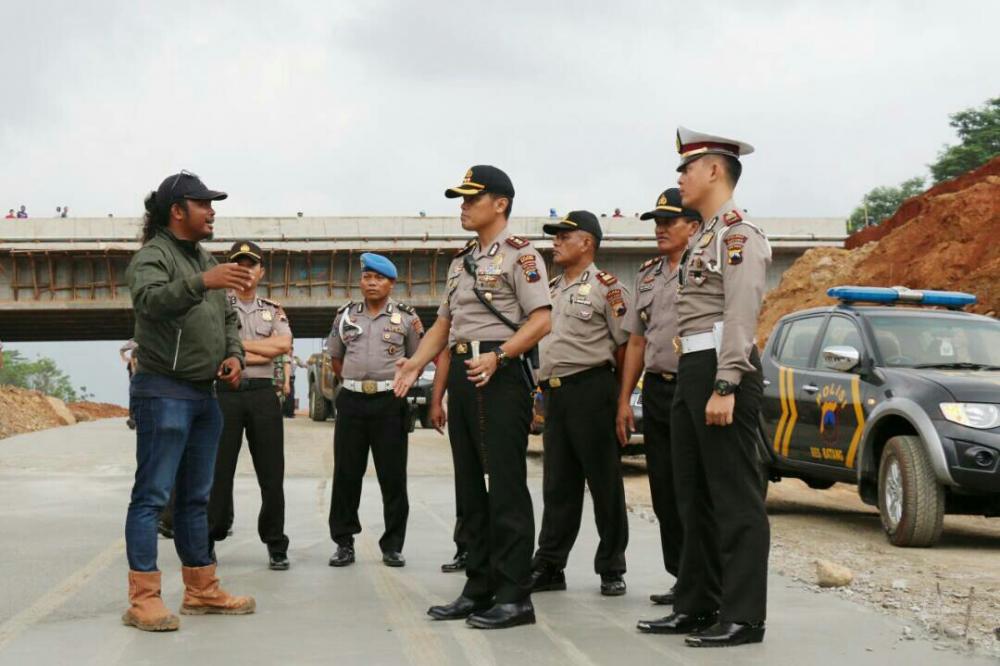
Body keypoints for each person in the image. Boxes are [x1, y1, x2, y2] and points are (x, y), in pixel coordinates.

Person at [394, 165, 551, 629]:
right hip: (465, 372)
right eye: (460, 199)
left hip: (499, 376)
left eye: (470, 198)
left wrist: (500, 357)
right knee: (470, 487)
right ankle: (479, 586)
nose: (462, 206)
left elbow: (541, 319)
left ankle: (515, 595)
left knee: (505, 486)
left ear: (499, 203)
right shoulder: (461, 261)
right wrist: (415, 362)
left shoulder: (521, 257)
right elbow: (444, 325)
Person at [638, 127, 771, 648]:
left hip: (722, 368)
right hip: (692, 370)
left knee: (735, 498)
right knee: (690, 495)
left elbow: (741, 314)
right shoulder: (705, 236)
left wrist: (727, 382)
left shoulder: (739, 235)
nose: (679, 177)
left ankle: (743, 616)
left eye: (687, 168)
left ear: (714, 170)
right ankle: (696, 603)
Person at [123, 170, 255, 632]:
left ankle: (200, 590)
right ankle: (144, 599)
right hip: (163, 391)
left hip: (204, 394)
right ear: (177, 211)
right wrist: (203, 281)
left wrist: (234, 355)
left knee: (197, 498)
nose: (212, 210)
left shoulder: (204, 257)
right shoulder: (153, 257)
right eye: (203, 203)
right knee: (152, 496)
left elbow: (229, 319)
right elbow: (149, 302)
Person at [530, 210, 631, 597]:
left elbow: (625, 348)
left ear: (586, 243)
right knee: (558, 484)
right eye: (555, 236)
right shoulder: (551, 290)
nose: (555, 242)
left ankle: (611, 567)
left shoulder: (609, 288)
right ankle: (550, 566)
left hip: (593, 389)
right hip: (555, 394)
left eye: (563, 236)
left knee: (604, 482)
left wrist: (620, 399)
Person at [618, 189, 701, 609]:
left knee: (693, 491)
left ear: (694, 225)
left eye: (670, 221)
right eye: (657, 222)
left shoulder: (706, 268)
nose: (661, 229)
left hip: (694, 387)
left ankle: (702, 581)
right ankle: (680, 577)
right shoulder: (648, 275)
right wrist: (624, 400)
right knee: (665, 492)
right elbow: (635, 341)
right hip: (656, 390)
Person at [327, 253, 423, 568]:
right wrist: (356, 381)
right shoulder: (346, 315)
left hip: (389, 403)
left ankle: (393, 545)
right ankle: (344, 543)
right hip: (352, 401)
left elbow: (416, 360)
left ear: (391, 283)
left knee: (393, 476)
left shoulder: (407, 318)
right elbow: (337, 359)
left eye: (378, 278)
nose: (371, 283)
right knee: (346, 475)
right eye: (367, 277)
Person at [207, 240, 293, 571]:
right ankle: (209, 538)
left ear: (261, 271)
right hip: (225, 393)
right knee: (218, 472)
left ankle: (275, 543)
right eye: (238, 264)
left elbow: (283, 345)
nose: (245, 271)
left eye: (251, 265)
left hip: (263, 394)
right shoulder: (215, 305)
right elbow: (213, 347)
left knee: (272, 473)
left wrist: (238, 350)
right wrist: (262, 349)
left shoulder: (272, 309)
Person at [428, 349, 469, 573]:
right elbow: (445, 354)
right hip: (462, 395)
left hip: (500, 390)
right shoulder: (454, 316)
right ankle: (466, 548)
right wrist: (436, 401)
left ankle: (503, 551)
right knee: (465, 478)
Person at [120, 339, 139, 430]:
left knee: (135, 397)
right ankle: (133, 418)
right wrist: (123, 355)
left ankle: (134, 418)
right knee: (134, 396)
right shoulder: (135, 341)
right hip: (134, 377)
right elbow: (122, 351)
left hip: (139, 377)